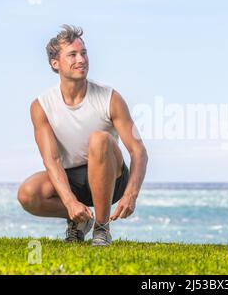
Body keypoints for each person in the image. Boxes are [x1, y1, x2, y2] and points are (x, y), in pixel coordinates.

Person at [17, 25, 148, 246]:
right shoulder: (41, 106)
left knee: (99, 138)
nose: (82, 59)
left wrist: (131, 194)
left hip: (112, 178)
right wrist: (69, 202)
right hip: (71, 180)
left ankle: (102, 228)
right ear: (55, 63)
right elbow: (52, 159)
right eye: (73, 55)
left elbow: (138, 151)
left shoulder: (110, 97)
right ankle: (80, 221)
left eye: (84, 53)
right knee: (28, 194)